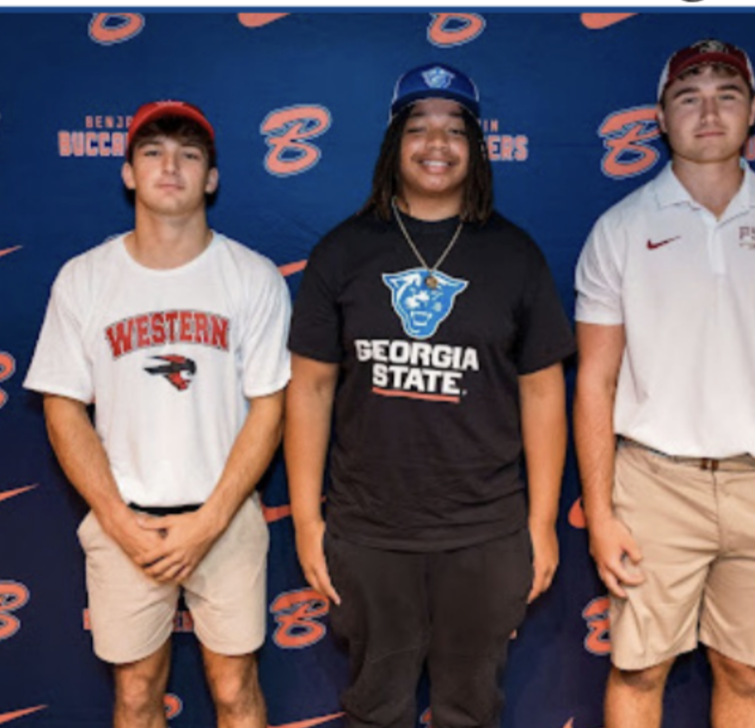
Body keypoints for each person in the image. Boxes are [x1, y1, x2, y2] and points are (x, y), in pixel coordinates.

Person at [286, 63, 576, 728]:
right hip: (369, 533)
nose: (436, 143)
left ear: (476, 147)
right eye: (418, 127)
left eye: (455, 129)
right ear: (394, 143)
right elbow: (311, 389)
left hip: (484, 533)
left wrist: (540, 523)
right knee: (373, 709)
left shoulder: (515, 255)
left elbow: (541, 396)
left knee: (471, 710)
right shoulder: (343, 252)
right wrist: (306, 519)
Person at [574, 39, 755, 728]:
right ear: (660, 118)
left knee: (747, 673)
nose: (709, 111)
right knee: (638, 669)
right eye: (688, 97)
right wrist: (600, 513)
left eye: (727, 94)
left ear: (754, 110)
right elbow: (595, 382)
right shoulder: (619, 230)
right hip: (656, 485)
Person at [24, 100, 291, 728]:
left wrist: (212, 519)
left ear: (212, 178)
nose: (170, 166)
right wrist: (118, 519)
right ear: (127, 172)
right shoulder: (85, 279)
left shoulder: (251, 277)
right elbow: (64, 407)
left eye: (189, 155)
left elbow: (270, 406)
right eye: (152, 152)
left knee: (233, 687)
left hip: (223, 518)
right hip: (125, 524)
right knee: (138, 692)